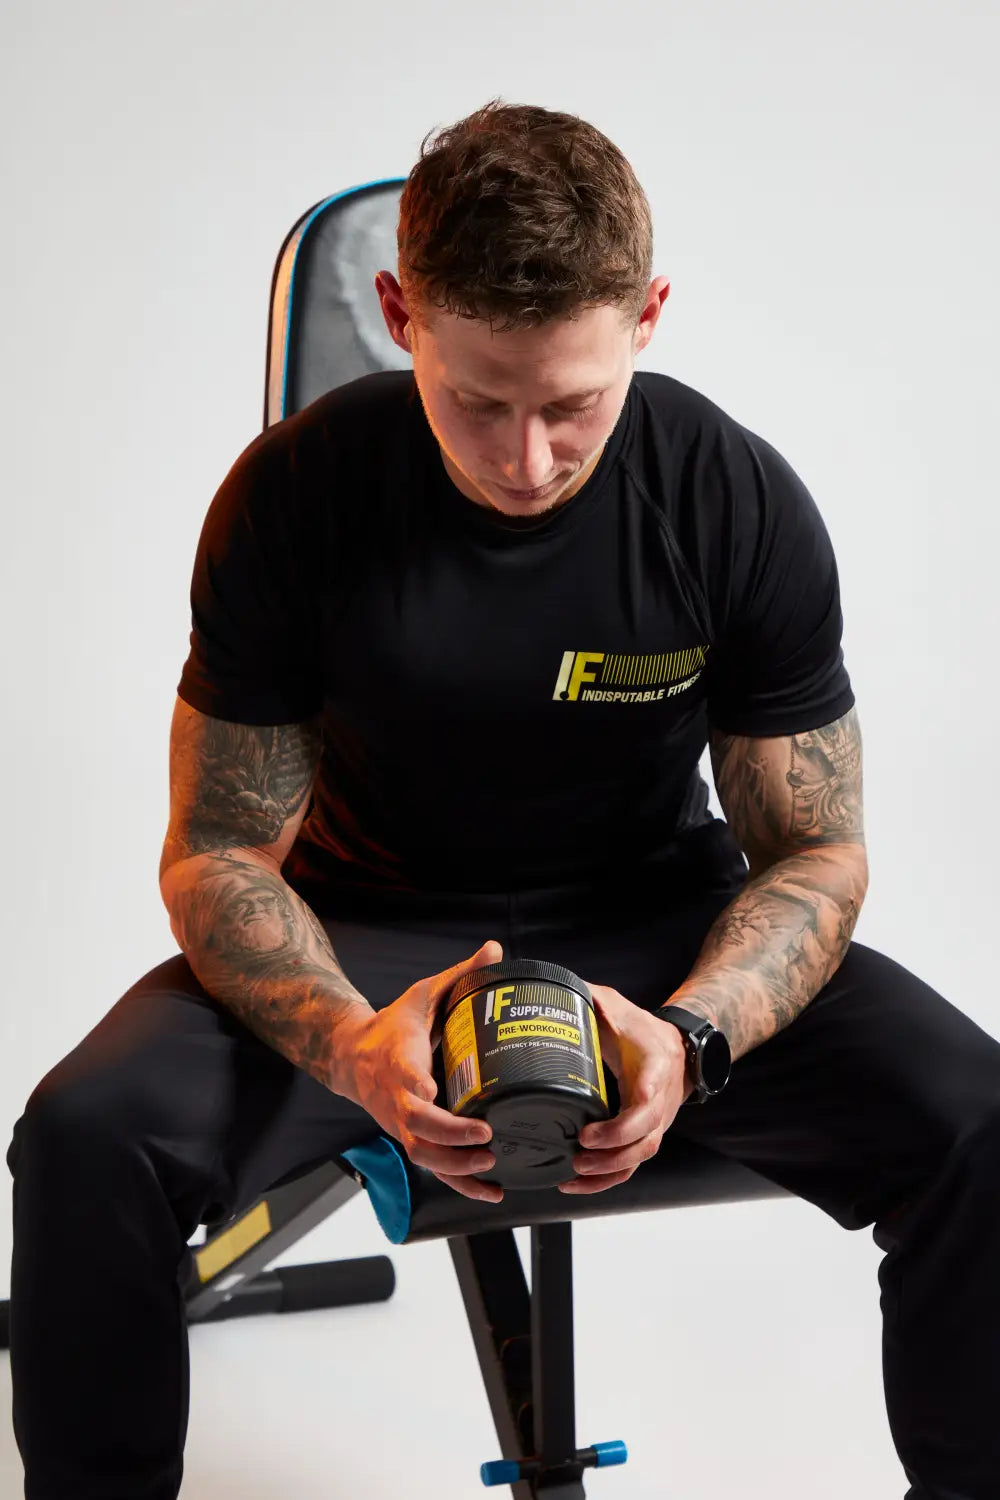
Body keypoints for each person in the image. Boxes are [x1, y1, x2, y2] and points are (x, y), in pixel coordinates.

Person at [6, 98, 1000, 1500]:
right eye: (478, 399)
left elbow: (819, 850)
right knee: (84, 1138)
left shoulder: (732, 499)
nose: (525, 460)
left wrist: (696, 1035)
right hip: (367, 940)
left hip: (656, 933)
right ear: (402, 310)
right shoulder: (295, 499)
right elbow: (220, 849)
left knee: (978, 1119)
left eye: (572, 407)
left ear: (649, 314)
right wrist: (354, 1047)